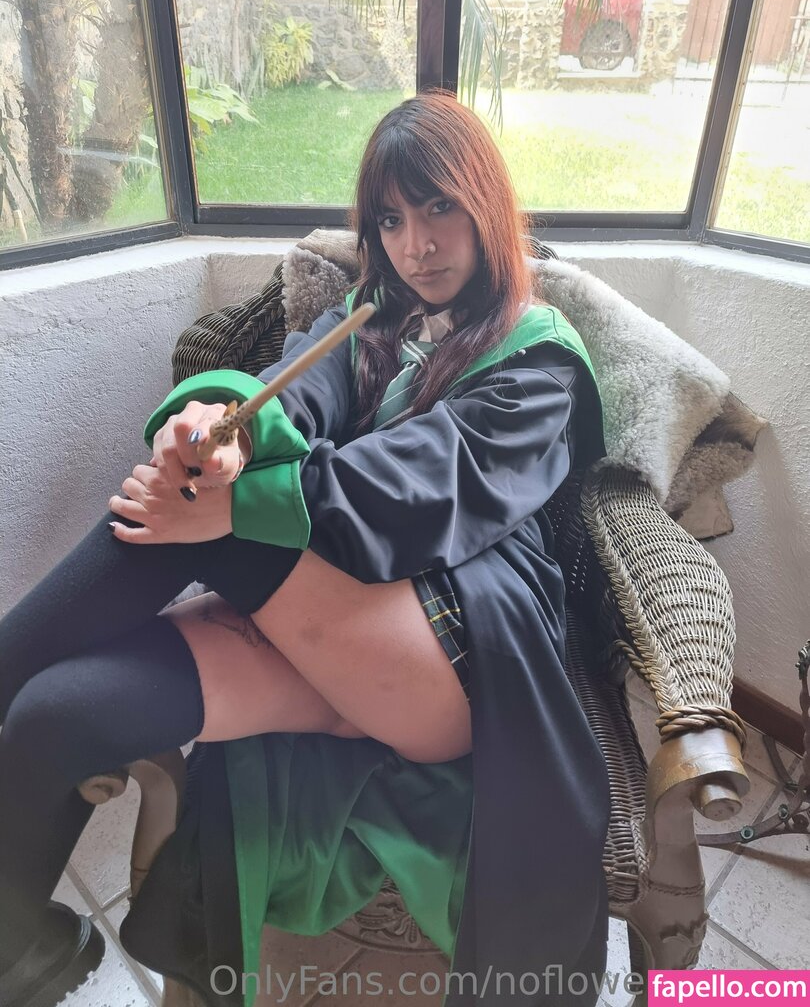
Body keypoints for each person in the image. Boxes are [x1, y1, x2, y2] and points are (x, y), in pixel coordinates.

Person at [0, 89, 610, 1007]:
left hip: (456, 649)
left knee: (206, 514)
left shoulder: (540, 360)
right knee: (56, 711)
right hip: (338, 604)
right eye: (391, 221)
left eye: (440, 207)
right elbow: (291, 392)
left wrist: (235, 500)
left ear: (486, 203)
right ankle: (16, 947)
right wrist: (222, 429)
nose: (417, 245)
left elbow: (419, 488)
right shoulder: (375, 316)